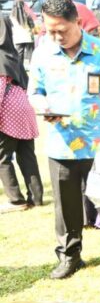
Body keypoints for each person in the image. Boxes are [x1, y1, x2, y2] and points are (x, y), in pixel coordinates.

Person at [27, 0, 100, 280]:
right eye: (50, 31)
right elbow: (34, 92)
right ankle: (70, 256)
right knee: (66, 207)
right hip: (61, 145)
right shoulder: (42, 54)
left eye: (62, 29)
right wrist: (42, 106)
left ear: (77, 22)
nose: (56, 36)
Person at [0, 16, 43, 214]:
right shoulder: (13, 54)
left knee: (3, 157)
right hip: (25, 108)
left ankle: (16, 200)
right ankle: (36, 196)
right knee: (27, 155)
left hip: (8, 111)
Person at [9, 0, 35, 67]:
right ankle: (32, 67)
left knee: (19, 54)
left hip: (18, 38)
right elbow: (32, 25)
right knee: (31, 54)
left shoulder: (11, 17)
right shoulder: (27, 15)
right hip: (28, 37)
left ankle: (19, 68)